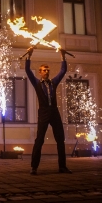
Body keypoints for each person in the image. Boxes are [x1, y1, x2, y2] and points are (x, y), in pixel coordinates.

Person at [25, 47, 72, 175]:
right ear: (40, 72)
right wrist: (29, 55)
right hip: (44, 113)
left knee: (60, 139)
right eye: (44, 70)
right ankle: (34, 167)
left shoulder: (53, 83)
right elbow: (28, 71)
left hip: (54, 112)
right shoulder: (37, 83)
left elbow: (63, 70)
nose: (46, 71)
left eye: (48, 70)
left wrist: (62, 55)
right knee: (39, 139)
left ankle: (62, 167)